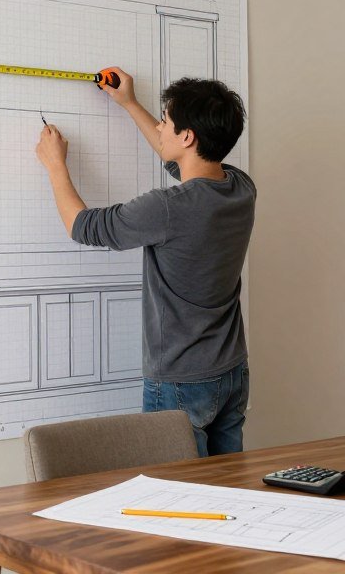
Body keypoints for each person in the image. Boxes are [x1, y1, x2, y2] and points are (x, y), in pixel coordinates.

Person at [34, 68, 255, 457]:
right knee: (228, 490)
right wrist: (129, 103)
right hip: (232, 371)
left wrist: (55, 165)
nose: (161, 129)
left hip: (180, 382)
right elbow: (184, 166)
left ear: (187, 136)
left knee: (179, 502)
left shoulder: (166, 209)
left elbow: (83, 226)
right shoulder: (240, 187)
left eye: (166, 122)